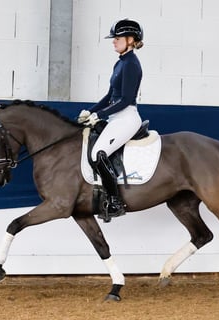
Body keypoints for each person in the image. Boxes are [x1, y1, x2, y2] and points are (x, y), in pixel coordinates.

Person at [77, 19, 144, 220]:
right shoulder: (120, 62)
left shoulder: (132, 64)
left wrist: (99, 115)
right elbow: (109, 96)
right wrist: (90, 111)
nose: (113, 42)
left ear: (130, 40)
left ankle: (115, 202)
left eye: (117, 38)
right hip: (116, 116)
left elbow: (125, 99)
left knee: (99, 153)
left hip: (127, 117)